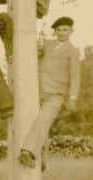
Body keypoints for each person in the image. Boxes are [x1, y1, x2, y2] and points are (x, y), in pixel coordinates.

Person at [19, 16, 80, 169]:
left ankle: (27, 152)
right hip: (37, 90)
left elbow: (75, 75)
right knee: (38, 123)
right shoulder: (47, 44)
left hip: (56, 94)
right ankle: (42, 159)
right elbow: (34, 54)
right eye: (58, 30)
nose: (61, 33)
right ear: (54, 32)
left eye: (65, 30)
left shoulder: (73, 52)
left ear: (71, 31)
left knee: (43, 120)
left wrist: (72, 97)